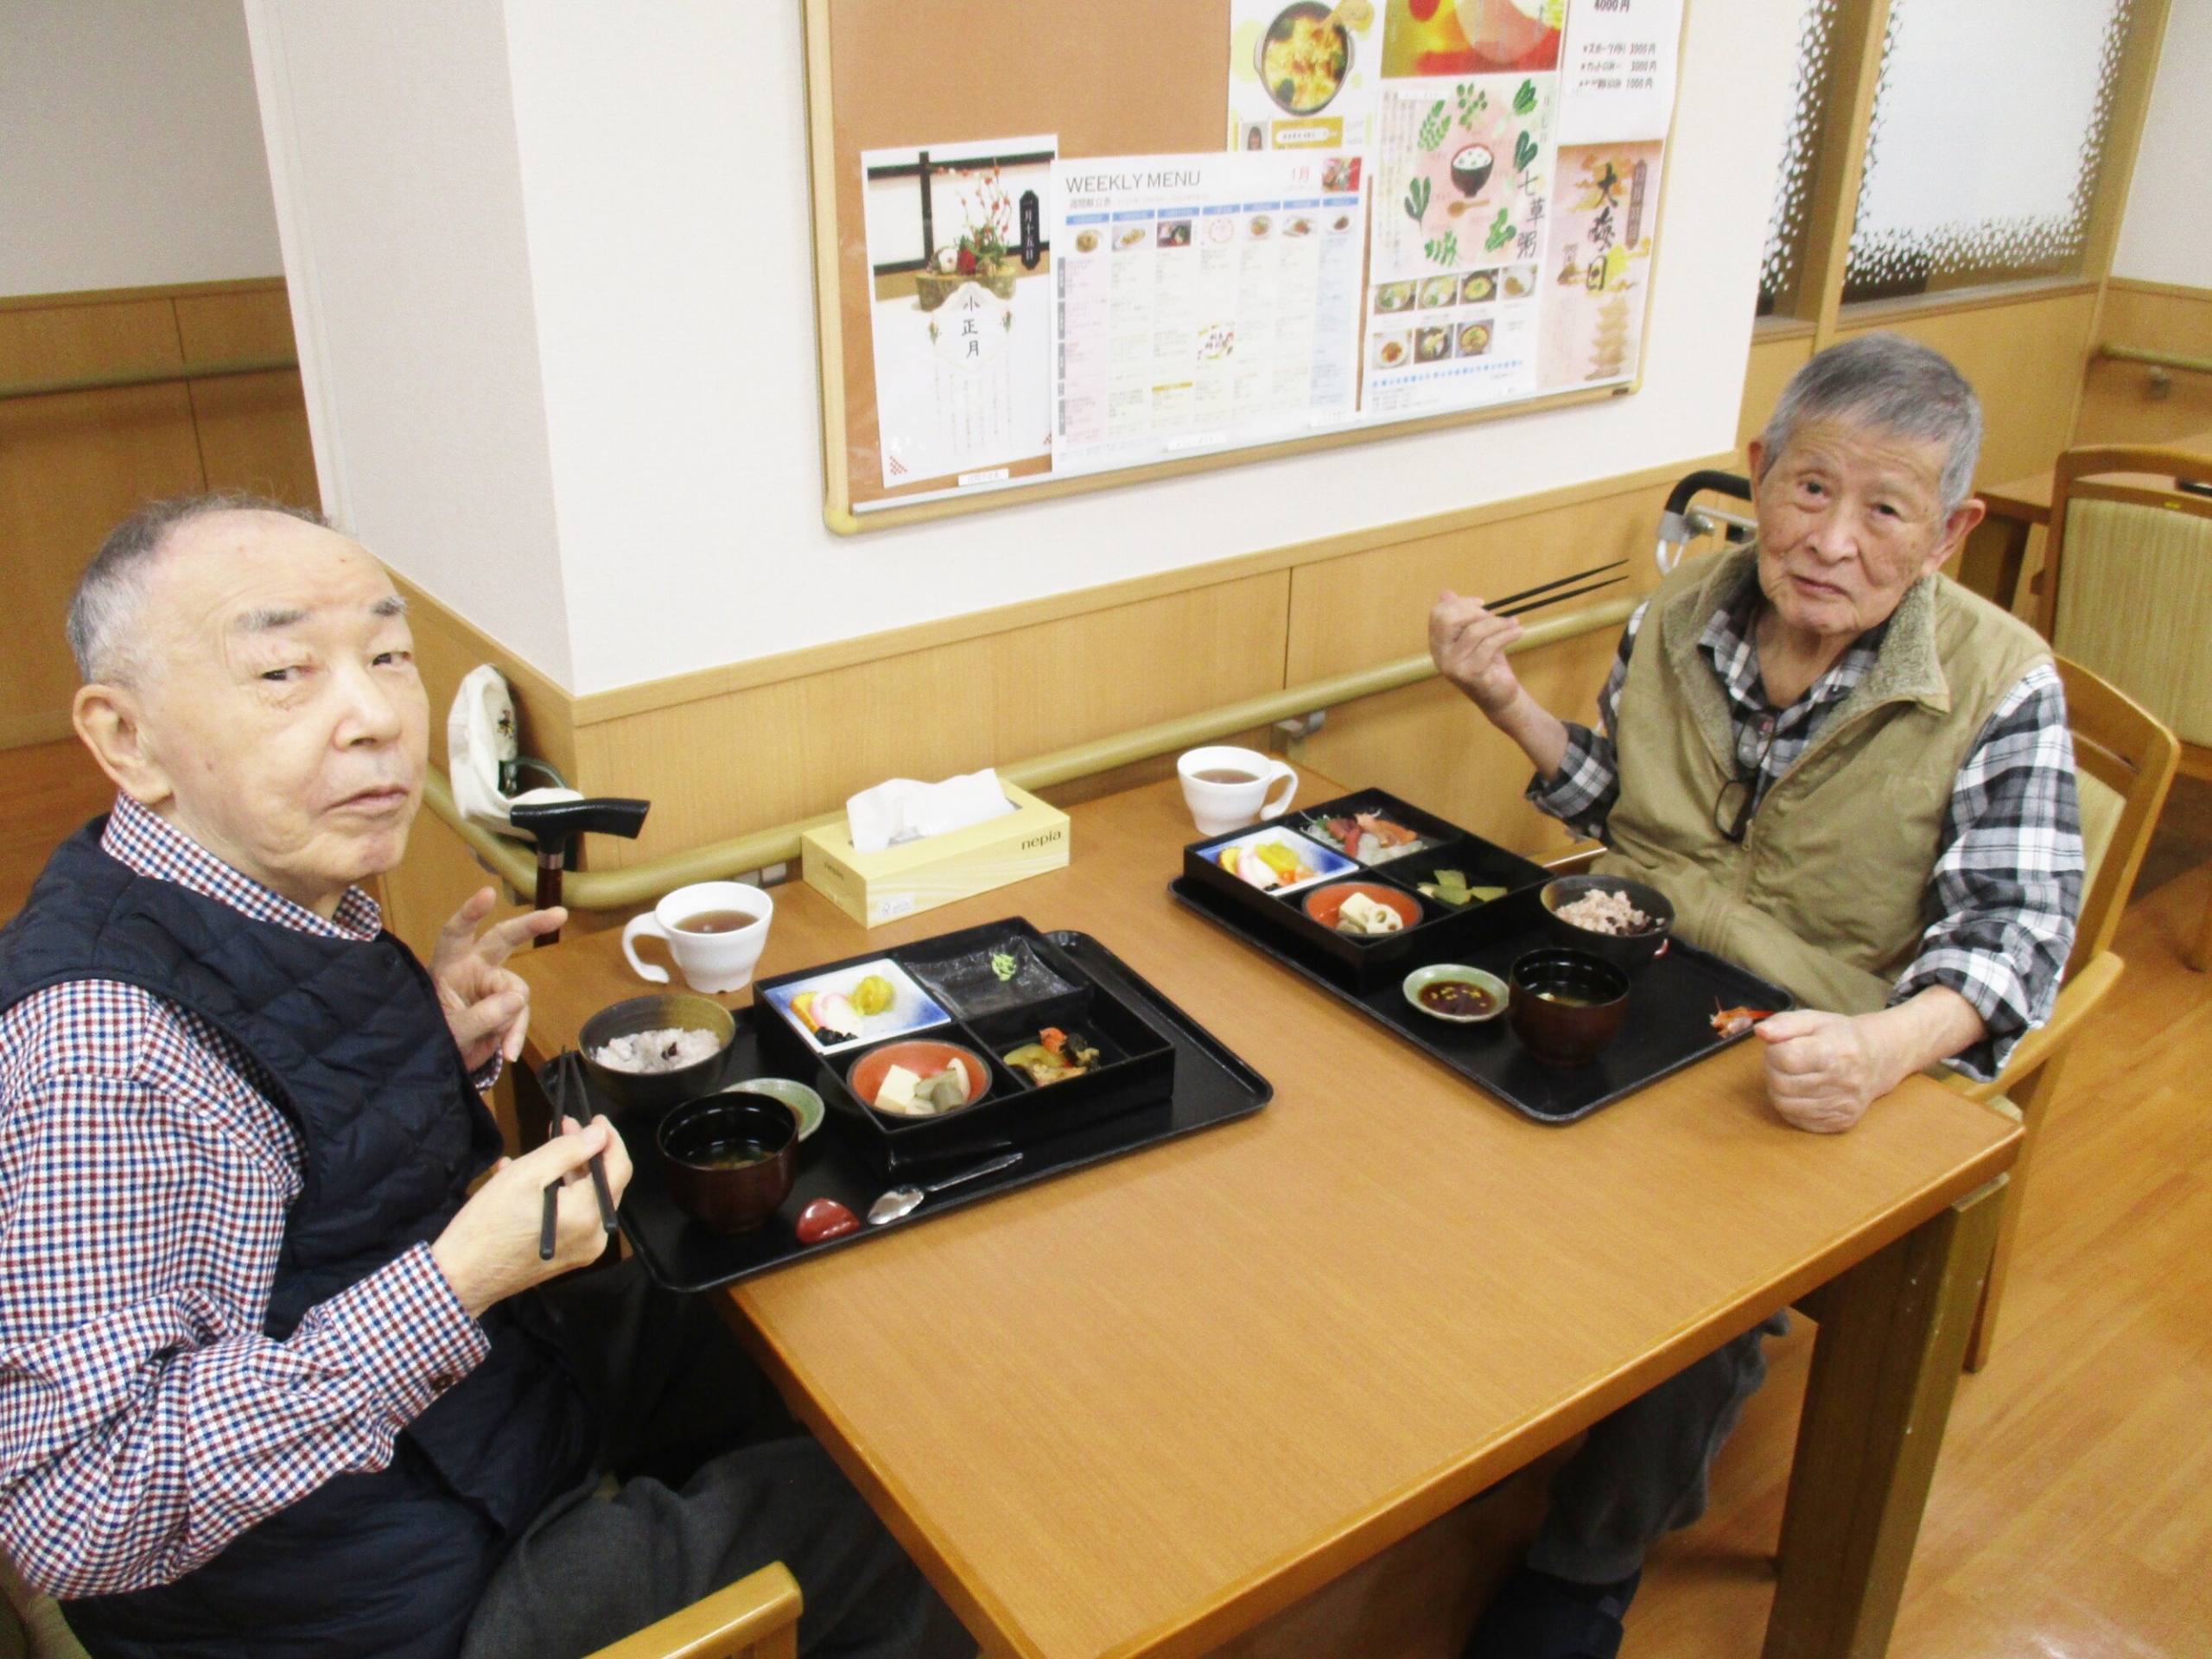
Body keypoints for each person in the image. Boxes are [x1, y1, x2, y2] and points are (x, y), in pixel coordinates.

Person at [0, 496, 969, 1659]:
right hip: (368, 1605)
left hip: (472, 1431)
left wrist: (422, 1044)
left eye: (388, 655)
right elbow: (72, 1504)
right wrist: (453, 1282)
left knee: (792, 1304)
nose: (374, 718)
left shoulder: (253, 892)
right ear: (126, 738)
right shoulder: (98, 1051)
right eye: (281, 673)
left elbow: (287, 1150)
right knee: (923, 1510)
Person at [1428, 334, 2083, 1658]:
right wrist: (1504, 699)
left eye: (1885, 508)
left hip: (1816, 1040)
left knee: (1705, 1284)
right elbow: (1614, 799)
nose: (1831, 539)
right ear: (1760, 472)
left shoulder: (2003, 685)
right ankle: (1472, 1408)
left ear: (1950, 530)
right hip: (1635, 976)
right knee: (1435, 1094)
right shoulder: (1673, 613)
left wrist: (1883, 1047)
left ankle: (1586, 1565)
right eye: (1810, 488)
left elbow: (2019, 941)